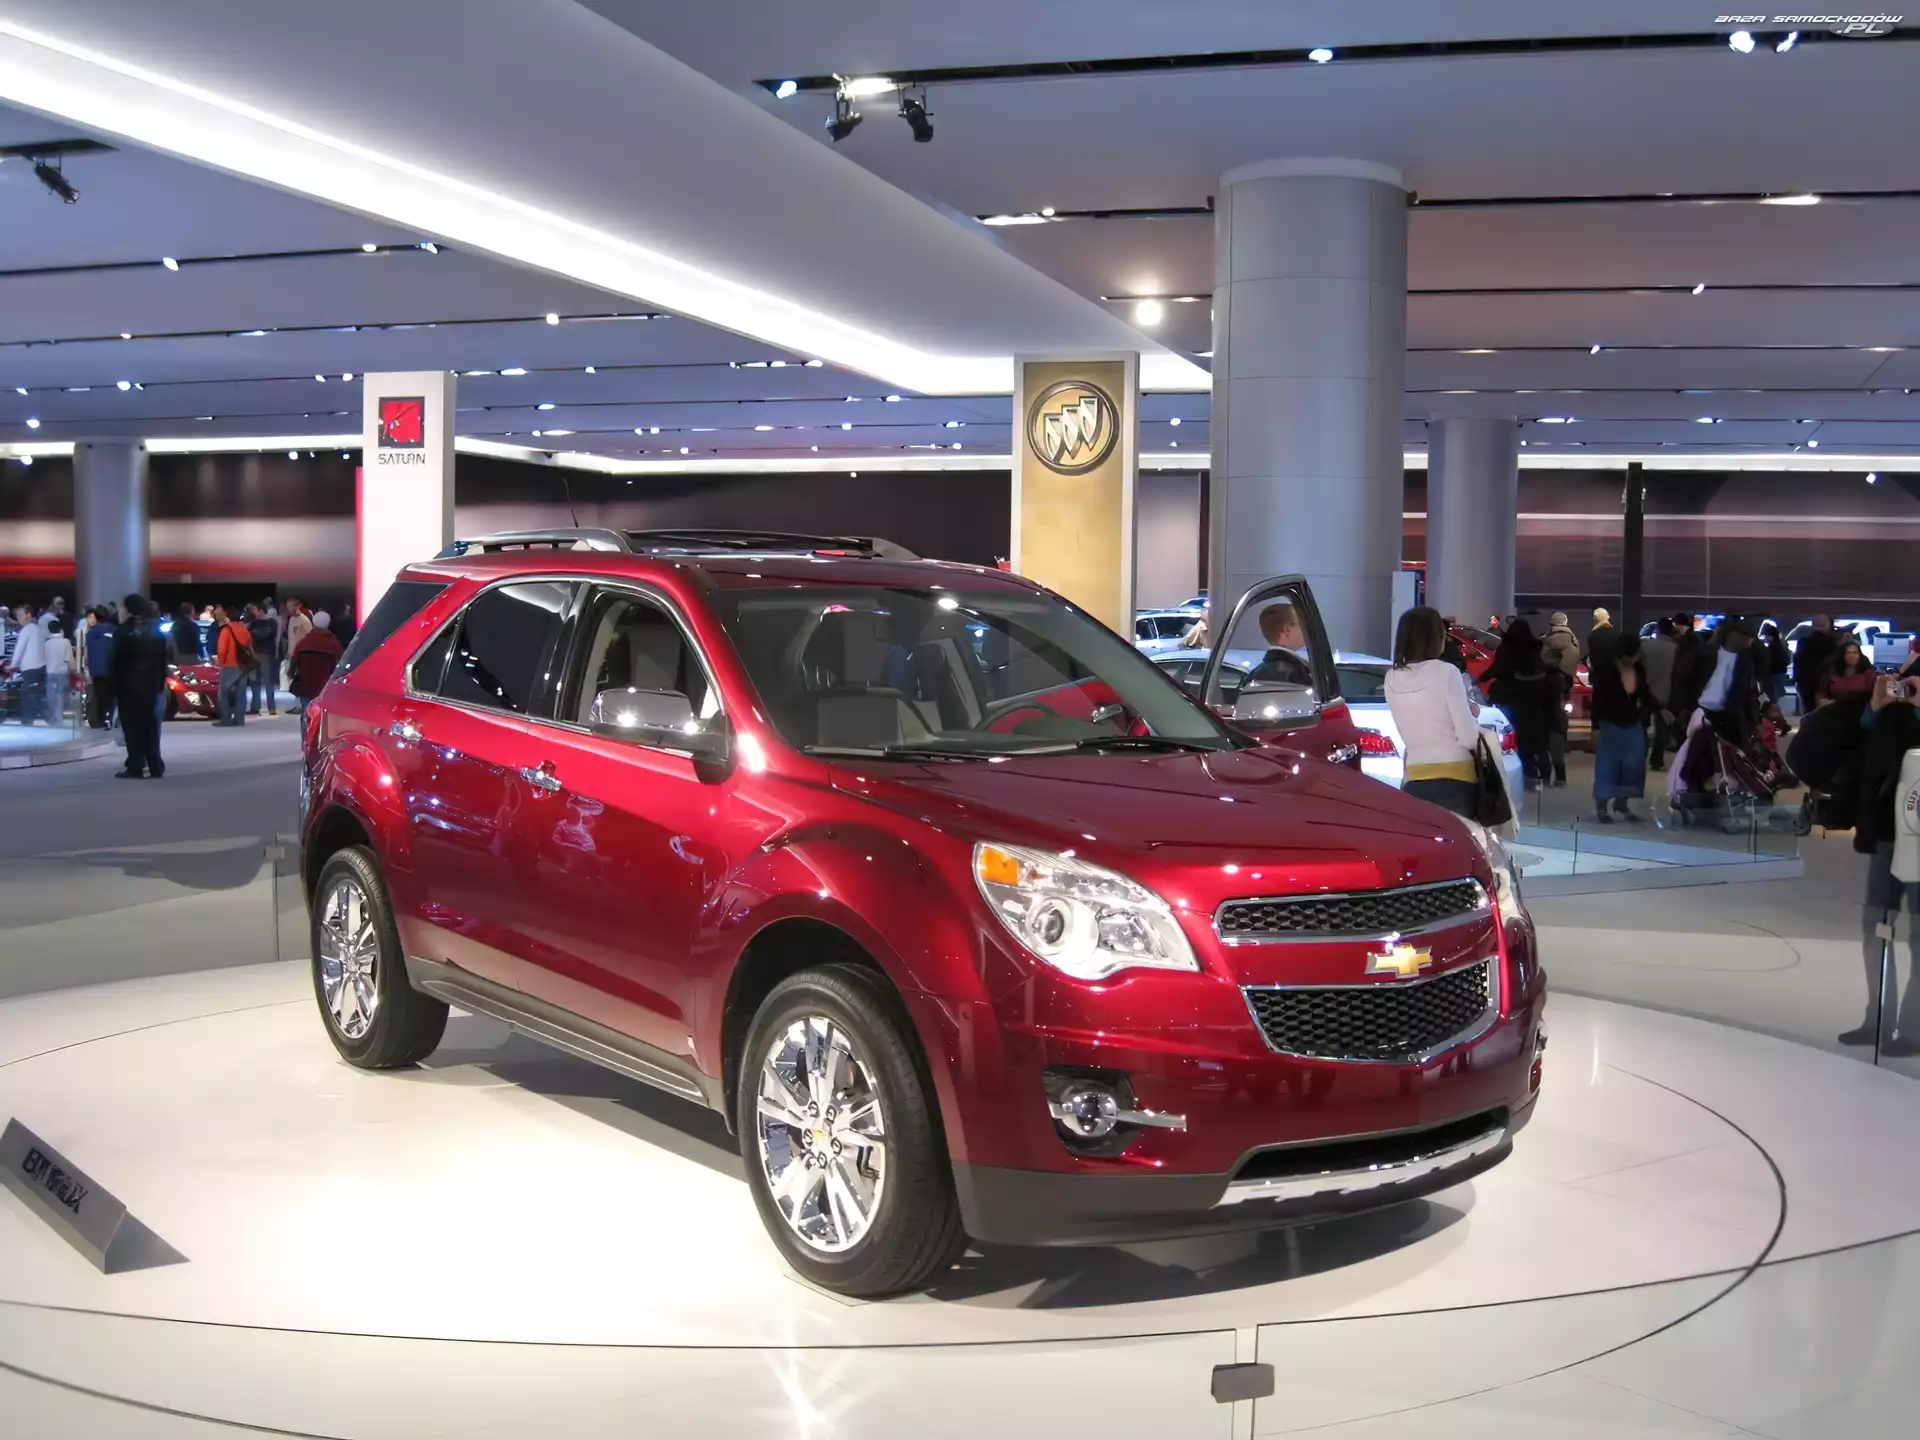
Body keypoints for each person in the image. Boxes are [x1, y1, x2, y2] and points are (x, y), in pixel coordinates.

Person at [1837, 675, 1920, 1054]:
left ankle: (1914, 1027)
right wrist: (1875, 705)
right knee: (1875, 927)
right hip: (1887, 831)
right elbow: (1856, 744)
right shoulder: (1890, 715)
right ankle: (1878, 1019)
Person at [1383, 606, 1483, 819]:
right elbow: (1468, 737)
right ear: (1435, 638)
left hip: (1414, 776)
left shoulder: (1391, 677)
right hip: (1456, 777)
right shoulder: (1447, 672)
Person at [1485, 619, 1557, 791]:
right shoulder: (1534, 648)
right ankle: (1544, 772)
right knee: (1536, 737)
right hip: (1533, 698)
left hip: (1510, 698)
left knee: (1514, 736)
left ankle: (1523, 774)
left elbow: (1498, 668)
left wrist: (1481, 678)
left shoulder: (1506, 649)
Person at [1590, 635, 1651, 823]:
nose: (1635, 658)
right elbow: (1598, 699)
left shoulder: (1638, 669)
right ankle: (1602, 806)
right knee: (1607, 765)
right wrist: (1595, 726)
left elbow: (1644, 693)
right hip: (1611, 722)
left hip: (1633, 721)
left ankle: (1622, 802)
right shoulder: (1606, 671)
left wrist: (1659, 709)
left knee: (1633, 765)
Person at [110, 595, 171, 779]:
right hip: (151, 688)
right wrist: (158, 685)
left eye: (122, 608)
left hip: (129, 688)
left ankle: (135, 765)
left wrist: (114, 689)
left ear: (129, 610)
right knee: (150, 726)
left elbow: (116, 664)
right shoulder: (156, 631)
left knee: (132, 729)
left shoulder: (124, 633)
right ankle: (155, 765)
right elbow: (162, 661)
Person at [1640, 614, 1680, 771]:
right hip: (1665, 693)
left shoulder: (1646, 646)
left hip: (1644, 693)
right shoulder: (1676, 649)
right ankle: (1656, 759)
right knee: (1662, 729)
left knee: (1641, 726)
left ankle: (1640, 757)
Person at [289, 610, 345, 714]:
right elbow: (341, 664)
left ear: (313, 623)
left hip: (306, 686)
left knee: (307, 714)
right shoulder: (334, 644)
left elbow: (294, 662)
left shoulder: (304, 643)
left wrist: (292, 674)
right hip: (326, 688)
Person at [1245, 602, 1312, 688]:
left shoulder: (1254, 674)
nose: (1306, 628)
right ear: (1286, 630)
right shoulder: (1295, 674)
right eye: (1301, 623)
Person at [212, 603, 254, 726]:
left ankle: (226, 718)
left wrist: (220, 661)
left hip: (229, 664)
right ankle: (240, 719)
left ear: (227, 616)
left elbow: (222, 650)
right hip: (243, 665)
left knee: (223, 693)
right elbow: (250, 646)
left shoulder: (226, 630)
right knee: (241, 693)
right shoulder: (244, 630)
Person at [1794, 614, 1838, 715]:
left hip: (1804, 683)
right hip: (1823, 684)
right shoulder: (1830, 642)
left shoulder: (1803, 641)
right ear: (1827, 626)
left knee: (1808, 712)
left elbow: (1797, 661)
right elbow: (1834, 663)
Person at [11, 603, 46, 725]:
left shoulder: (26, 630)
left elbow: (19, 649)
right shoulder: (40, 629)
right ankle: (40, 718)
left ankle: (28, 721)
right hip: (41, 667)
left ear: (28, 615)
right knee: (36, 695)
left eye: (20, 615)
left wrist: (13, 665)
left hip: (30, 668)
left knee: (29, 696)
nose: (18, 618)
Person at [84, 604, 118, 729]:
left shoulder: (90, 633)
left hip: (96, 670)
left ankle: (97, 720)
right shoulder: (114, 630)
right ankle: (110, 719)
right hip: (111, 669)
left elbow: (87, 653)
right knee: (111, 696)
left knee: (98, 696)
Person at [245, 602, 278, 716]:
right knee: (255, 681)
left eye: (255, 610)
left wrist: (251, 632)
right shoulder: (255, 623)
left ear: (261, 611)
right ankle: (257, 707)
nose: (253, 612)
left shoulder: (270, 623)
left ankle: (269, 707)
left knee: (266, 682)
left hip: (264, 655)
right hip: (257, 654)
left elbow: (264, 634)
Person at [1820, 638, 1877, 704]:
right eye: (1848, 653)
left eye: (1855, 653)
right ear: (1843, 655)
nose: (1852, 656)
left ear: (1859, 656)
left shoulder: (1868, 675)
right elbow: (1821, 698)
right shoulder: (1832, 676)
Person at [41, 618, 73, 725]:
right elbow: (69, 659)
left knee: (51, 697)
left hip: (50, 673)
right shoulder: (66, 642)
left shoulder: (46, 643)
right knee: (60, 697)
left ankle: (53, 719)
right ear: (60, 629)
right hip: (63, 673)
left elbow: (44, 660)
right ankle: (59, 719)